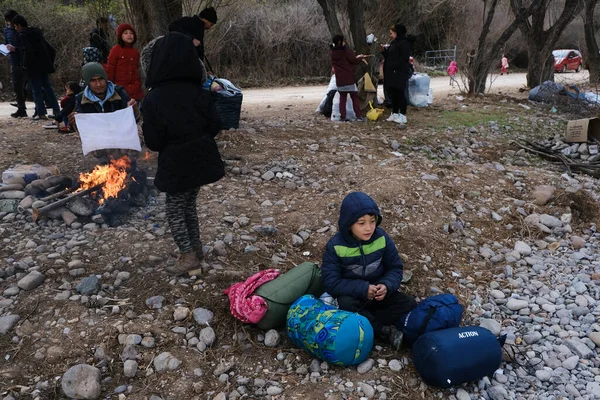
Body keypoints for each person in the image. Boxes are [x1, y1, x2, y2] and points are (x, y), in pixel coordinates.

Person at [141, 32, 224, 276]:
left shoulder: (154, 98)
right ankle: (195, 248)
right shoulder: (199, 91)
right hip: (202, 157)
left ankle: (188, 255)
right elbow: (216, 124)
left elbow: (154, 142)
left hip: (176, 161)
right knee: (189, 205)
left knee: (175, 209)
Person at [321, 191, 417, 349]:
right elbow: (331, 282)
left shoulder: (381, 238)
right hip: (354, 297)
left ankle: (367, 325)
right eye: (361, 223)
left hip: (378, 296)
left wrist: (386, 285)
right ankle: (383, 332)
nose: (369, 228)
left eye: (372, 221)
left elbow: (395, 267)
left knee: (408, 303)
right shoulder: (335, 246)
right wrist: (362, 289)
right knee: (344, 304)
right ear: (348, 224)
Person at [69, 62, 140, 162]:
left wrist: (134, 110)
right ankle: (104, 162)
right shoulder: (81, 99)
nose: (98, 84)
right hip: (100, 136)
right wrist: (75, 122)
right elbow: (83, 130)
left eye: (101, 79)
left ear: (106, 79)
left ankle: (128, 162)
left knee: (138, 131)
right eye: (93, 80)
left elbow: (134, 121)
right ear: (87, 82)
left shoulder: (119, 92)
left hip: (120, 134)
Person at [11, 15, 61, 121]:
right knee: (48, 88)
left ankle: (41, 113)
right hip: (44, 65)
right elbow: (49, 48)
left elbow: (26, 51)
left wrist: (24, 65)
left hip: (33, 67)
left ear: (19, 25)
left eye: (15, 26)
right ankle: (57, 111)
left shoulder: (22, 35)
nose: (15, 29)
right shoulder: (37, 32)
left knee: (36, 90)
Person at [381, 24, 413, 125]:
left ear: (397, 32)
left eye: (392, 33)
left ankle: (403, 115)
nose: (390, 35)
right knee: (394, 93)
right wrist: (384, 52)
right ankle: (394, 113)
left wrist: (393, 66)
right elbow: (390, 55)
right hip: (392, 72)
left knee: (400, 93)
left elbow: (404, 58)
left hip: (399, 72)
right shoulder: (394, 42)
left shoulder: (404, 43)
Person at [104, 23, 143, 101]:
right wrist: (111, 87)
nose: (129, 35)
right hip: (120, 89)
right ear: (120, 36)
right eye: (125, 33)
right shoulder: (116, 50)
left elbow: (137, 70)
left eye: (131, 33)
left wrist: (137, 84)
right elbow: (110, 69)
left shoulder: (135, 52)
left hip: (135, 90)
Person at [330, 34, 365, 122]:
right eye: (343, 41)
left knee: (342, 98)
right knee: (354, 97)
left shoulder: (333, 53)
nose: (344, 42)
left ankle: (343, 117)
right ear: (340, 42)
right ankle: (358, 116)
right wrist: (360, 58)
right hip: (349, 78)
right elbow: (354, 60)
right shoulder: (346, 51)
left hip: (340, 79)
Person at [4, 9, 27, 118]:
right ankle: (21, 108)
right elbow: (6, 43)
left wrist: (16, 49)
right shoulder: (7, 30)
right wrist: (6, 49)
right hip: (14, 61)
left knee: (28, 86)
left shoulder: (23, 30)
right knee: (16, 86)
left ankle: (40, 108)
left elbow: (26, 47)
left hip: (25, 61)